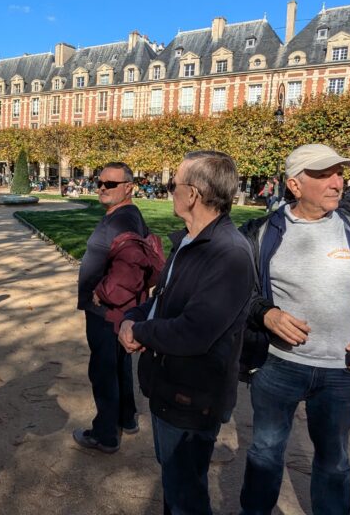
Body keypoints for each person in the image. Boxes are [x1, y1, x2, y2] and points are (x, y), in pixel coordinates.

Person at [238, 144, 350, 515]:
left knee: (334, 461)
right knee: (264, 453)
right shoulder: (259, 233)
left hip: (344, 370)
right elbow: (233, 289)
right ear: (294, 184)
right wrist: (264, 313)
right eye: (324, 174)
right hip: (277, 366)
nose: (337, 182)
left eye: (340, 173)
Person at [118, 151, 255, 514]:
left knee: (186, 498)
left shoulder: (229, 253)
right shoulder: (190, 240)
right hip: (170, 385)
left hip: (193, 397)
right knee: (175, 486)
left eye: (173, 184)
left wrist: (140, 332)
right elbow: (160, 299)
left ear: (192, 194)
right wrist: (133, 318)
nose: (169, 191)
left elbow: (195, 332)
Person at [73, 162, 158, 454]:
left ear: (128, 187)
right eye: (100, 182)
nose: (102, 188)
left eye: (110, 184)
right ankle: (126, 417)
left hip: (108, 311)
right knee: (119, 363)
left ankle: (105, 434)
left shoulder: (123, 219)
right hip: (118, 311)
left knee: (103, 369)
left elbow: (133, 264)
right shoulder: (126, 215)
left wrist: (103, 292)